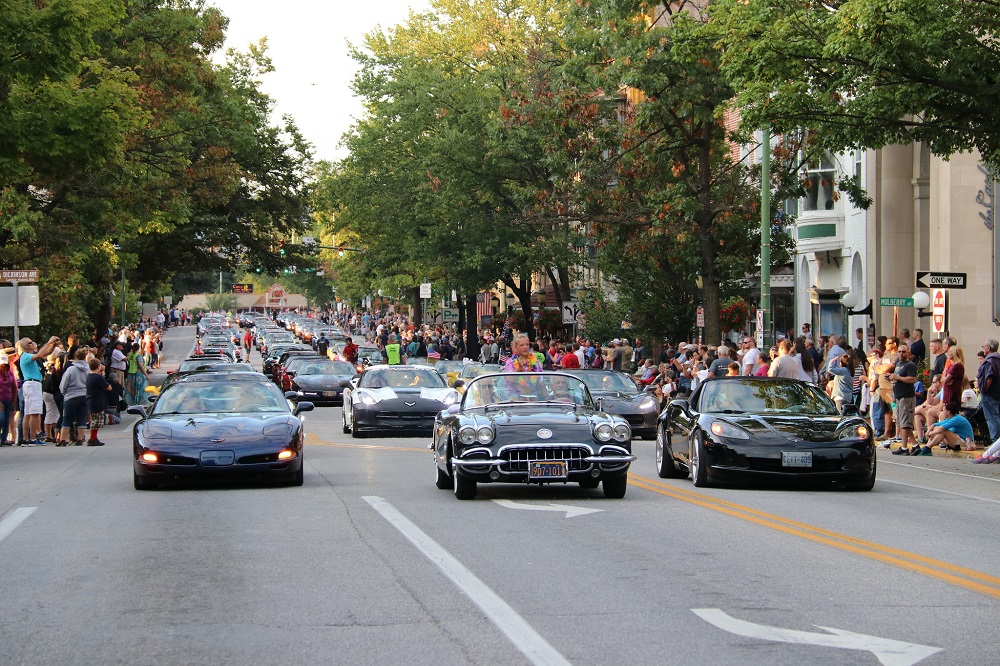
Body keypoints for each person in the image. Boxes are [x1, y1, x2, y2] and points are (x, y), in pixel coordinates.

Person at [17, 335, 61, 446]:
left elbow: (46, 353)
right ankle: (32, 438)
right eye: (31, 342)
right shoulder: (26, 355)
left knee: (28, 413)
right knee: (34, 413)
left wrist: (53, 345)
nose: (33, 344)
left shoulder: (29, 355)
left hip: (30, 384)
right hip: (32, 384)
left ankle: (26, 438)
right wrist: (49, 342)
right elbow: (40, 354)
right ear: (26, 346)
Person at [58, 348, 90, 446]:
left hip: (71, 395)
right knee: (81, 418)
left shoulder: (71, 369)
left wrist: (63, 392)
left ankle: (63, 439)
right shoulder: (87, 369)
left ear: (75, 357)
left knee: (67, 418)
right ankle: (80, 438)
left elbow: (64, 383)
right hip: (84, 395)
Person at [889, 344, 918, 453]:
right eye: (899, 352)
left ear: (908, 353)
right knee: (901, 422)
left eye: (903, 352)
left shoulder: (910, 365)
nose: (901, 354)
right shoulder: (898, 363)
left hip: (907, 397)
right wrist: (891, 377)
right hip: (898, 396)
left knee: (905, 423)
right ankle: (915, 445)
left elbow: (912, 379)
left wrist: (897, 377)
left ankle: (904, 447)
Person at [976, 339, 1000, 442]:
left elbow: (989, 378)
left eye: (983, 346)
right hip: (996, 394)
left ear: (988, 348)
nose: (983, 348)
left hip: (990, 394)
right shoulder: (998, 359)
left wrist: (984, 390)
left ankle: (995, 442)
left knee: (992, 418)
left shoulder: (989, 361)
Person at [84, 358, 111, 446]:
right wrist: (102, 376)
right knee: (97, 421)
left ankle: (94, 438)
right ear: (98, 367)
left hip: (91, 400)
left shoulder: (89, 376)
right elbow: (109, 387)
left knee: (95, 420)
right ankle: (92, 438)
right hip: (97, 401)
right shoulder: (98, 377)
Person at [0, 352, 17, 447]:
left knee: (7, 420)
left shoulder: (9, 373)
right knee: (1, 419)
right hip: (0, 399)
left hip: (8, 399)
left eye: (5, 365)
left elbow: (14, 387)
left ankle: (3, 439)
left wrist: (14, 400)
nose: (3, 366)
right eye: (2, 365)